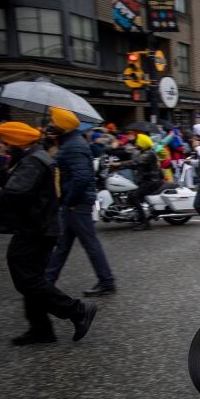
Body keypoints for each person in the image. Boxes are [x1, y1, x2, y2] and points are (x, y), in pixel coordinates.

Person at [0, 122, 96, 345]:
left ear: (16, 141)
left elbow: (16, 195)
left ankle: (77, 310)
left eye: (4, 142)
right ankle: (41, 328)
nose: (1, 146)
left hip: (36, 228)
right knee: (30, 278)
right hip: (37, 226)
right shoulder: (32, 157)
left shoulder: (33, 160)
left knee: (27, 278)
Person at [42, 107, 116, 297]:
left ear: (63, 126)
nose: (51, 126)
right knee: (63, 244)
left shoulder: (73, 146)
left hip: (77, 203)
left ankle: (106, 281)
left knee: (89, 243)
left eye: (54, 123)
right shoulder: (69, 142)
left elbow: (82, 177)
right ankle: (47, 280)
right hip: (73, 203)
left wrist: (70, 200)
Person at [110, 134, 162, 231]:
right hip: (146, 180)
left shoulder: (149, 154)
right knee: (131, 194)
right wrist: (118, 166)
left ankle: (145, 223)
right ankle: (137, 216)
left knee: (133, 196)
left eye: (138, 142)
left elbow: (136, 162)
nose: (136, 143)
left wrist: (119, 164)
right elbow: (133, 161)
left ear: (142, 143)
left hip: (151, 181)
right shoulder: (144, 152)